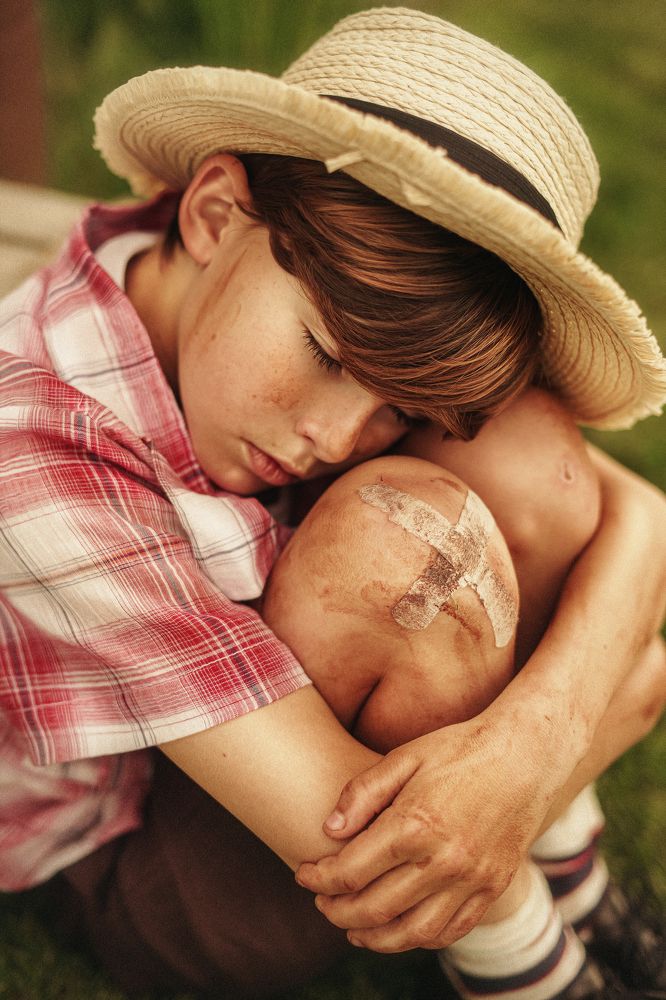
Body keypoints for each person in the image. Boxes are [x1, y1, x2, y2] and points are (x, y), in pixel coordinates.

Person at [0, 6, 665, 999]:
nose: (337, 436)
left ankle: (570, 879)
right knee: (399, 551)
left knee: (530, 456)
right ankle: (534, 953)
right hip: (144, 844)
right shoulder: (29, 446)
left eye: (399, 409)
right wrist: (603, 687)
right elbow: (360, 837)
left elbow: (638, 512)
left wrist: (540, 739)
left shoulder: (229, 283)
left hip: (295, 709)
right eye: (323, 351)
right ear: (213, 214)